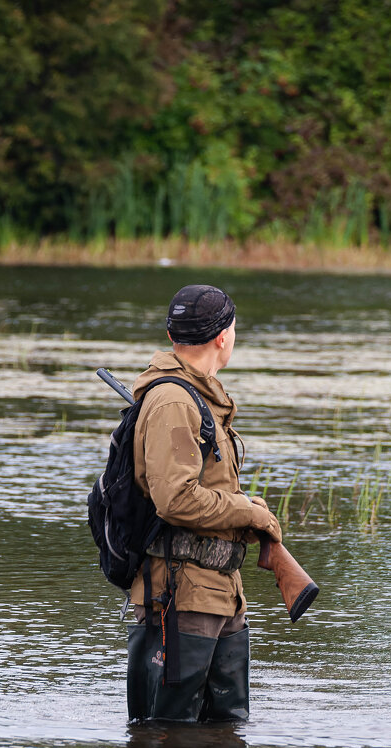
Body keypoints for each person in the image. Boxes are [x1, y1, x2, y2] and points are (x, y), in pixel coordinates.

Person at [126, 284, 282, 723]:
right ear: (222, 336)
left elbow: (204, 486)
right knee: (170, 737)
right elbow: (175, 499)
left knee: (226, 733)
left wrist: (244, 507)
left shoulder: (201, 395)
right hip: (180, 597)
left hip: (221, 594)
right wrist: (248, 513)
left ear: (172, 333)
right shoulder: (174, 400)